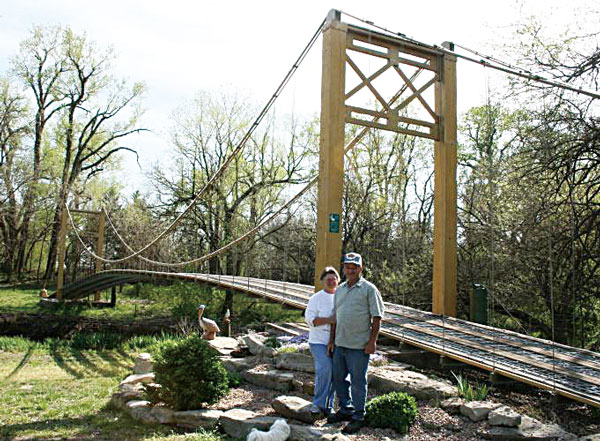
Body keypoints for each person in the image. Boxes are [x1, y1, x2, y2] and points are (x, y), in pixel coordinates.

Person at [327, 252, 385, 434]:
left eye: (354, 267)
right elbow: (336, 317)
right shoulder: (341, 289)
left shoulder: (369, 289)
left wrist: (372, 342)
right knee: (338, 379)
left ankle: (359, 416)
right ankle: (346, 409)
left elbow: (377, 317)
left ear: (361, 268)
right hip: (340, 344)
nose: (350, 270)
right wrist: (331, 340)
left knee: (358, 382)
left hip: (359, 346)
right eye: (347, 266)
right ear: (343, 268)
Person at [304, 266, 339, 418]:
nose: (331, 281)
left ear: (338, 281)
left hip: (338, 342)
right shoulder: (315, 299)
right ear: (323, 281)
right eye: (328, 279)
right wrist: (329, 320)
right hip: (318, 341)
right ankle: (318, 403)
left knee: (336, 373)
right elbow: (310, 320)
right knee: (325, 368)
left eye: (334, 279)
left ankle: (329, 405)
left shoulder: (342, 296)